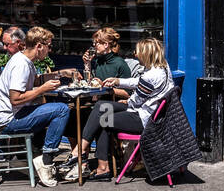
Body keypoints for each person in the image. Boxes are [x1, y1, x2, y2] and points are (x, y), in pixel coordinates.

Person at [64, 37, 174, 182]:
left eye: (138, 52)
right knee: (101, 107)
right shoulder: (162, 68)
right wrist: (119, 81)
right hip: (150, 113)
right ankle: (88, 156)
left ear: (146, 54)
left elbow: (135, 102)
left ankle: (87, 157)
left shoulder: (150, 76)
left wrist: (128, 100)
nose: (135, 54)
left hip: (144, 119)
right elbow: (139, 82)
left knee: (104, 118)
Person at [0, 26, 69, 187]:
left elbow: (34, 81)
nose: (50, 50)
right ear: (39, 46)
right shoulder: (22, 65)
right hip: (10, 120)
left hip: (11, 115)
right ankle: (45, 161)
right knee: (62, 110)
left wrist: (61, 73)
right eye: (48, 46)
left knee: (56, 108)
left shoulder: (23, 59)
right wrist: (43, 89)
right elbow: (16, 99)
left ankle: (43, 153)